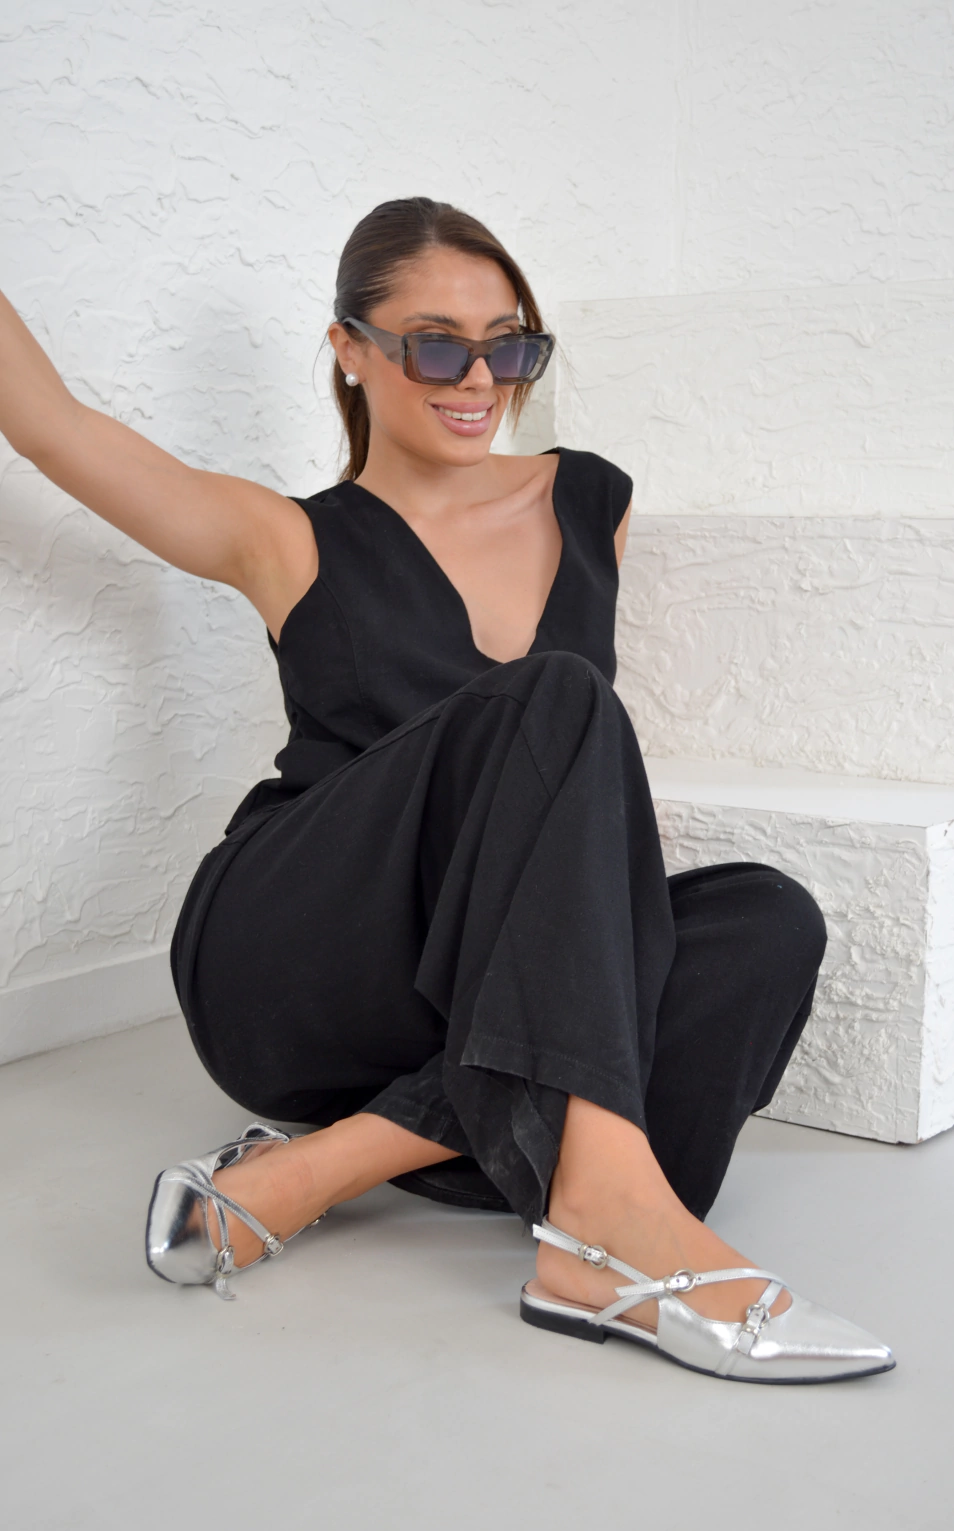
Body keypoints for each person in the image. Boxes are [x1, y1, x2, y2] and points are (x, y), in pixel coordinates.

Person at [0, 196, 893, 1383]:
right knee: (555, 696)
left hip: (464, 984)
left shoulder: (593, 502)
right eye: (436, 346)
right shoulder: (285, 536)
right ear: (349, 350)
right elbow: (51, 425)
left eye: (509, 348)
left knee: (765, 922)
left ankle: (335, 1166)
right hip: (301, 949)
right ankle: (604, 1222)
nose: (479, 380)